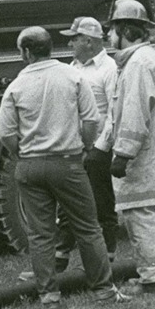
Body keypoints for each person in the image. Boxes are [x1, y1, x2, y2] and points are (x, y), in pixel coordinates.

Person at [0, 26, 127, 306]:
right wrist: (86, 146)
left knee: (40, 233)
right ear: (50, 48)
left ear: (26, 52)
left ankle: (49, 295)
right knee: (88, 228)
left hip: (30, 166)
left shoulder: (16, 85)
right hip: (68, 163)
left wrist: (21, 153)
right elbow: (91, 120)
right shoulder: (73, 76)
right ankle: (104, 290)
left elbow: (5, 133)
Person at [107, 0, 155, 294]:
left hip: (143, 157)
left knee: (142, 216)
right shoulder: (149, 58)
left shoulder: (138, 64)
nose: (108, 36)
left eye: (112, 29)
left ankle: (154, 279)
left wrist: (122, 153)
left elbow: (135, 114)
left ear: (125, 30)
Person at [54, 16, 119, 269]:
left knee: (101, 200)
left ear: (89, 42)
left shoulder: (109, 69)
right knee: (68, 199)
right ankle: (60, 254)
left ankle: (108, 254)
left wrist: (101, 149)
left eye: (74, 39)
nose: (70, 44)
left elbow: (115, 111)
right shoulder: (72, 69)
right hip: (73, 146)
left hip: (98, 148)